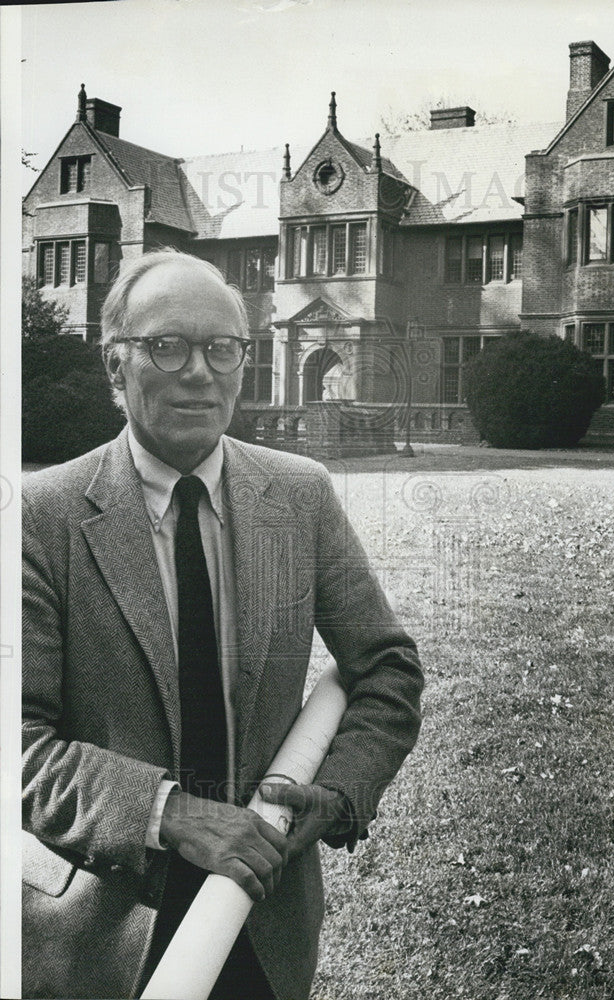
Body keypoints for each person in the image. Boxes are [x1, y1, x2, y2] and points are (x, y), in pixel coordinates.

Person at [22, 250, 423, 1000]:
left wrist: (334, 794)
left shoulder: (299, 496)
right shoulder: (42, 517)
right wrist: (169, 814)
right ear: (115, 366)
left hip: (261, 918)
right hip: (92, 938)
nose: (200, 372)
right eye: (166, 347)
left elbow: (387, 669)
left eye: (223, 349)